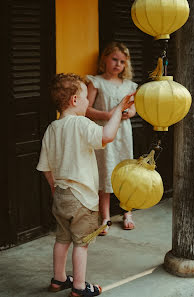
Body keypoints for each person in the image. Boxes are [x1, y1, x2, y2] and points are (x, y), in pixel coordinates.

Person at [37, 73, 134, 297]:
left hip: (61, 195)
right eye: (85, 98)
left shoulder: (52, 128)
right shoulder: (81, 124)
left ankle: (59, 279)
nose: (88, 102)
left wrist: (55, 190)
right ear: (74, 100)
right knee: (82, 243)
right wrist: (118, 109)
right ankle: (79, 287)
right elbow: (107, 136)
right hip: (83, 198)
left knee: (62, 239)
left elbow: (45, 167)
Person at [86, 42, 138, 235]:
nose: (118, 64)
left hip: (123, 133)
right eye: (114, 59)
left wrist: (128, 113)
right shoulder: (95, 82)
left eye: (122, 62)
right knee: (105, 172)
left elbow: (133, 108)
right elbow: (86, 109)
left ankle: (128, 212)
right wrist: (108, 115)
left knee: (125, 173)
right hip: (105, 131)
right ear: (105, 60)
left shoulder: (130, 85)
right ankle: (105, 217)